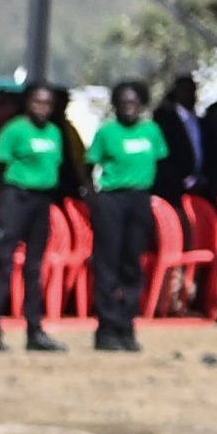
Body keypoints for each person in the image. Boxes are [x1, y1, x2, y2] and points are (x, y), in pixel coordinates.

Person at [85, 79, 166, 351]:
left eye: (134, 103)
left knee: (133, 263)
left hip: (139, 199)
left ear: (142, 104)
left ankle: (126, 324)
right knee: (108, 264)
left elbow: (161, 162)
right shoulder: (108, 132)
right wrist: (93, 198)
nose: (128, 108)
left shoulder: (152, 131)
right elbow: (88, 165)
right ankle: (106, 328)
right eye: (123, 103)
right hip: (112, 199)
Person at [0, 76, 71, 349]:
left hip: (42, 201)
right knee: (3, 264)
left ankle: (35, 331)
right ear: (27, 103)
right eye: (37, 102)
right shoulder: (15, 130)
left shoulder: (54, 132)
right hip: (16, 197)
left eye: (47, 103)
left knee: (34, 266)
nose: (42, 107)